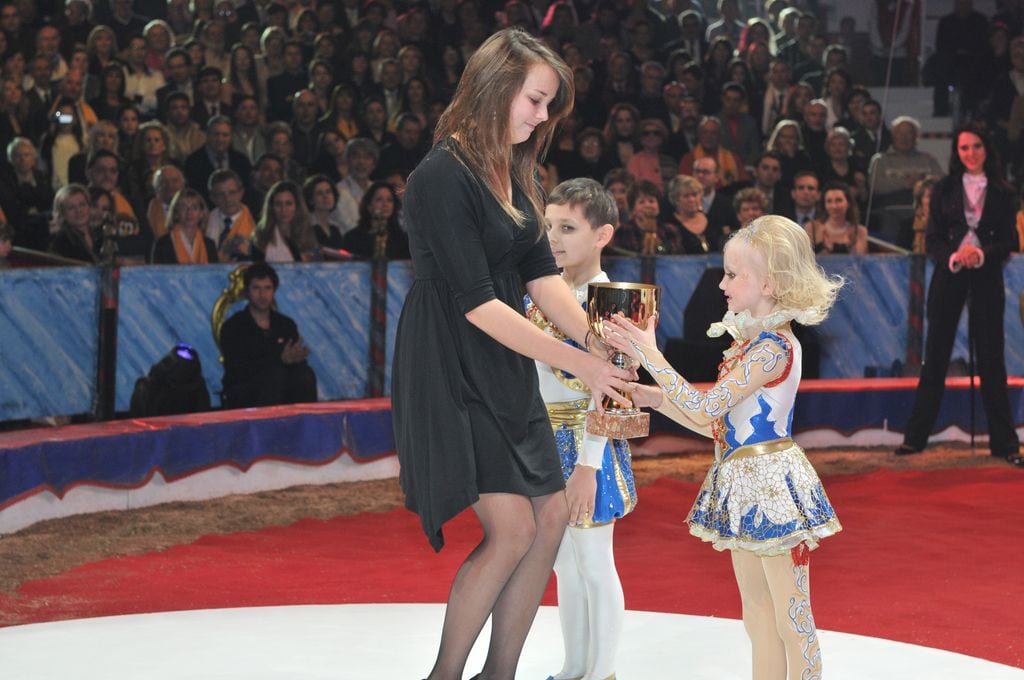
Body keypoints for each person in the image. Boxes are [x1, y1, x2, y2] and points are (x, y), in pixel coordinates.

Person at [391, 28, 633, 680]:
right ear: (495, 86)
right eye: (534, 98)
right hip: (449, 361)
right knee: (514, 529)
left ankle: (500, 675)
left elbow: (538, 274)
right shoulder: (442, 175)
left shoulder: (521, 171)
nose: (542, 116)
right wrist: (580, 362)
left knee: (550, 517)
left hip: (503, 358)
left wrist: (593, 336)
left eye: (549, 103)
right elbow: (476, 302)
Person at [605, 214, 844, 680]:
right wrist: (644, 395)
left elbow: (702, 409)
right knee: (757, 615)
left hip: (772, 487)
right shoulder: (752, 345)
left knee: (793, 618)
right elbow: (713, 421)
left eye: (734, 274)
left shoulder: (772, 349)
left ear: (770, 284)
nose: (723, 283)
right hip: (743, 479)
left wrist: (652, 357)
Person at [531, 178, 636, 680]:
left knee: (594, 562)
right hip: (543, 438)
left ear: (602, 235)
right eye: (548, 226)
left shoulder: (609, 304)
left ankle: (603, 673)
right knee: (563, 565)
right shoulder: (541, 294)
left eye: (568, 228)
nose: (553, 237)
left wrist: (588, 468)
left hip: (587, 442)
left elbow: (610, 392)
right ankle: (575, 668)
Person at [896, 123, 1022, 468]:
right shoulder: (943, 188)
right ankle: (915, 439)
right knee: (935, 355)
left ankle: (1005, 442)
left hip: (986, 275)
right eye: (964, 148)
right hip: (949, 275)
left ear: (986, 149)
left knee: (992, 358)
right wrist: (954, 256)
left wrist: (981, 254)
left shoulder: (1003, 191)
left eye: (976, 147)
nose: (970, 153)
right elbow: (933, 237)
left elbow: (1010, 240)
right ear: (957, 152)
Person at [220, 262, 318, 408]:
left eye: (267, 288)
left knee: (305, 374)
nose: (262, 294)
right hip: (247, 389)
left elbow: (292, 362)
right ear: (247, 291)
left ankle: (305, 424)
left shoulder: (285, 324)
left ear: (274, 291)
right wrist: (279, 360)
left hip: (283, 386)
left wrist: (296, 358)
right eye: (256, 288)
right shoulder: (233, 326)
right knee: (275, 375)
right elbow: (237, 369)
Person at [339, 181, 409, 259]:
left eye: (389, 200)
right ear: (369, 206)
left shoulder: (401, 239)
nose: (385, 204)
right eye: (379, 199)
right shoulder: (352, 238)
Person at [150, 187, 219, 264]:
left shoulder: (209, 245)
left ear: (201, 213)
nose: (189, 212)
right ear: (176, 213)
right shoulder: (163, 244)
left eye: (194, 207)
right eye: (183, 207)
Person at [806, 181, 868, 255]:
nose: (834, 206)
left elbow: (861, 262)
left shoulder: (860, 231)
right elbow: (806, 260)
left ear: (848, 203)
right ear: (824, 204)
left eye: (839, 200)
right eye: (829, 201)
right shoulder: (812, 228)